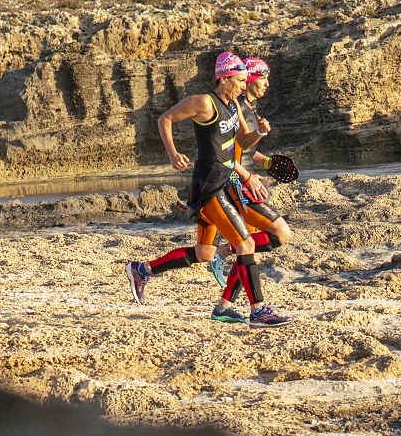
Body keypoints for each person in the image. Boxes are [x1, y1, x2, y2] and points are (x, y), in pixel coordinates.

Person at [124, 52, 291, 328]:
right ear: (223, 78)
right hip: (209, 188)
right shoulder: (203, 102)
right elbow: (165, 119)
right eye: (239, 80)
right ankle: (258, 310)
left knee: (203, 253)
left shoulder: (234, 105)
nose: (242, 85)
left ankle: (142, 270)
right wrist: (172, 153)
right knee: (245, 244)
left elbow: (242, 142)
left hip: (225, 185)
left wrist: (259, 132)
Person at [207, 56, 294, 297]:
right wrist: (245, 177)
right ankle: (223, 253)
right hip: (235, 183)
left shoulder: (247, 108)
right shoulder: (237, 107)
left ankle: (226, 305)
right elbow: (224, 152)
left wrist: (265, 162)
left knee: (251, 250)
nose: (267, 83)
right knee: (267, 239)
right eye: (263, 78)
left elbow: (245, 149)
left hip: (242, 180)